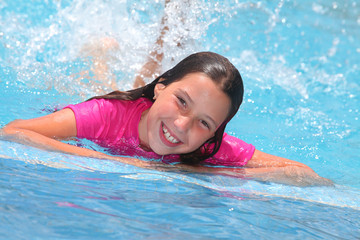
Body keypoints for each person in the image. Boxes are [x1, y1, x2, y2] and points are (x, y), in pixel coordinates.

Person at [0, 2, 332, 187]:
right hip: (118, 107)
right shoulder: (105, 115)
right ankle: (101, 50)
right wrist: (112, 161)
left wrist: (190, 170)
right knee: (96, 79)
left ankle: (169, 30)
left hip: (154, 104)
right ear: (161, 88)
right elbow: (14, 131)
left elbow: (303, 174)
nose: (183, 127)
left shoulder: (207, 148)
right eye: (182, 102)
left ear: (215, 133)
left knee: (160, 96)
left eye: (204, 122)